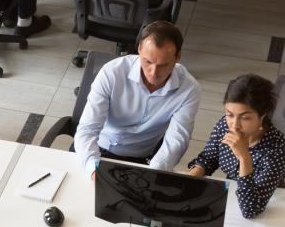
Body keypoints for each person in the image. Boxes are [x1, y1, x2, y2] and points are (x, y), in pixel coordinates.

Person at [73, 20, 201, 178]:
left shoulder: (189, 89)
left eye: (163, 65)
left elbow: (177, 140)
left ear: (177, 57)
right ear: (139, 49)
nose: (153, 73)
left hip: (140, 159)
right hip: (96, 148)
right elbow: (88, 128)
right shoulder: (112, 73)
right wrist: (94, 169)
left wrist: (152, 174)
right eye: (148, 62)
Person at [187, 74, 285, 218]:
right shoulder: (224, 125)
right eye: (229, 114)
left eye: (245, 117)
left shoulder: (277, 149)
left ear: (263, 116)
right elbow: (209, 158)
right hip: (231, 196)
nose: (234, 125)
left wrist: (244, 158)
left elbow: (251, 210)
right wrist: (192, 177)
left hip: (270, 204)